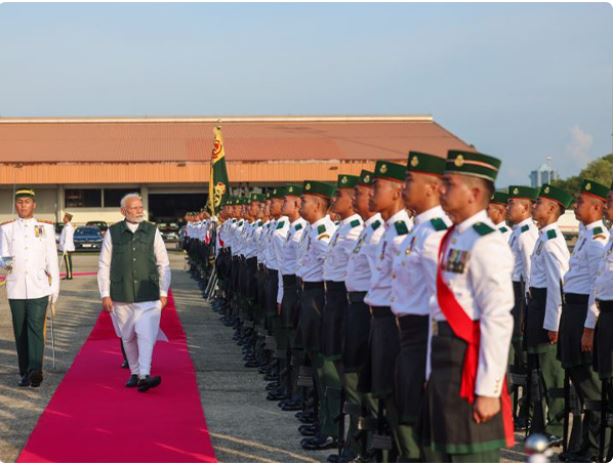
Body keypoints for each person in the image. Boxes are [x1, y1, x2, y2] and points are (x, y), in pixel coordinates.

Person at [420, 150, 514, 462]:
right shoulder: (453, 237)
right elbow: (437, 311)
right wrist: (430, 371)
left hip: (469, 367)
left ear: (474, 193)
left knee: (469, 456)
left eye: (449, 183)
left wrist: (488, 390)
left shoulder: (486, 242)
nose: (441, 190)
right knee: (441, 454)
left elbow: (497, 318)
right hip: (445, 361)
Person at [391, 151, 450, 462]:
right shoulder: (419, 229)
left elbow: (440, 303)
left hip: (424, 337)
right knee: (408, 413)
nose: (403, 187)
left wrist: (431, 364)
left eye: (410, 180)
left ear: (431, 187)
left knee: (423, 426)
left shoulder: (436, 233)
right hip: (410, 336)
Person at [361, 160, 413, 462]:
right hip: (379, 317)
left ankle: (401, 455)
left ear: (395, 192)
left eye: (375, 189)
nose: (368, 196)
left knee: (394, 395)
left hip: (396, 322)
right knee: (382, 391)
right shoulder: (388, 229)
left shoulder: (402, 232)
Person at [558, 179, 610, 462]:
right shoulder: (587, 236)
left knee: (590, 386)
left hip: (584, 314)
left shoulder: (598, 240)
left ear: (596, 207)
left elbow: (597, 288)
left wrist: (589, 327)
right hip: (572, 311)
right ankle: (582, 445)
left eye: (579, 202)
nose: (575, 206)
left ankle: (595, 448)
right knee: (578, 379)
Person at [97, 193, 171, 392]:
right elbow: (104, 265)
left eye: (141, 207)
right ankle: (135, 372)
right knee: (128, 336)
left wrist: (163, 291)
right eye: (135, 207)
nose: (139, 211)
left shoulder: (152, 230)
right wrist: (105, 293)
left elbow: (163, 263)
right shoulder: (113, 232)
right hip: (121, 294)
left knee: (146, 334)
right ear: (123, 211)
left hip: (149, 294)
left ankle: (145, 374)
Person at [526, 184, 572, 443]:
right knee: (537, 372)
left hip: (546, 309)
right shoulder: (543, 237)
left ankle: (555, 428)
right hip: (536, 307)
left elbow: (558, 286)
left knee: (550, 371)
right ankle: (541, 424)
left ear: (553, 208)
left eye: (539, 202)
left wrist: (554, 324)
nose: (535, 206)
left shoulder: (553, 241)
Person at [0, 188, 60, 388]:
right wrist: (6, 267)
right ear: (15, 205)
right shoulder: (7, 229)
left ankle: (35, 370)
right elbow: (4, 258)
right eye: (20, 202)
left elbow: (52, 259)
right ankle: (25, 371)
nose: (23, 205)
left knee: (35, 327)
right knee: (20, 330)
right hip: (16, 287)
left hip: (39, 287)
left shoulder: (45, 228)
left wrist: (55, 290)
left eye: (27, 202)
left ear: (34, 204)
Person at [296, 180, 338, 450]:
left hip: (318, 299)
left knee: (325, 368)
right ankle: (320, 419)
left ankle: (331, 428)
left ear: (319, 205)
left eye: (304, 201)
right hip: (307, 294)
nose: (300, 205)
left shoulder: (323, 230)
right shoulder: (311, 229)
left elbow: (329, 269)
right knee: (313, 360)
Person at [505, 185, 540, 427]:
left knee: (522, 356)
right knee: (512, 356)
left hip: (521, 296)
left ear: (526, 208)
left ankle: (525, 412)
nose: (508, 208)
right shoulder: (516, 231)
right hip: (511, 294)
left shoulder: (527, 234)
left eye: (512, 204)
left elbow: (530, 272)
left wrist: (526, 307)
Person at [583, 184, 613, 463]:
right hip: (605, 313)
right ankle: (602, 450)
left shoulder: (601, 237)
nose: (607, 207)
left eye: (611, 203)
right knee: (605, 380)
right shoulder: (610, 236)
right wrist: (591, 325)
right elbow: (599, 283)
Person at [59, 212, 76, 280]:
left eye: (64, 217)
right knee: (67, 262)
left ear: (67, 219)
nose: (63, 219)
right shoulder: (66, 226)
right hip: (66, 247)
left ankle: (69, 276)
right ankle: (68, 274)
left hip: (67, 248)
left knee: (68, 262)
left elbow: (68, 239)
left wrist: (65, 248)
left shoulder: (68, 227)